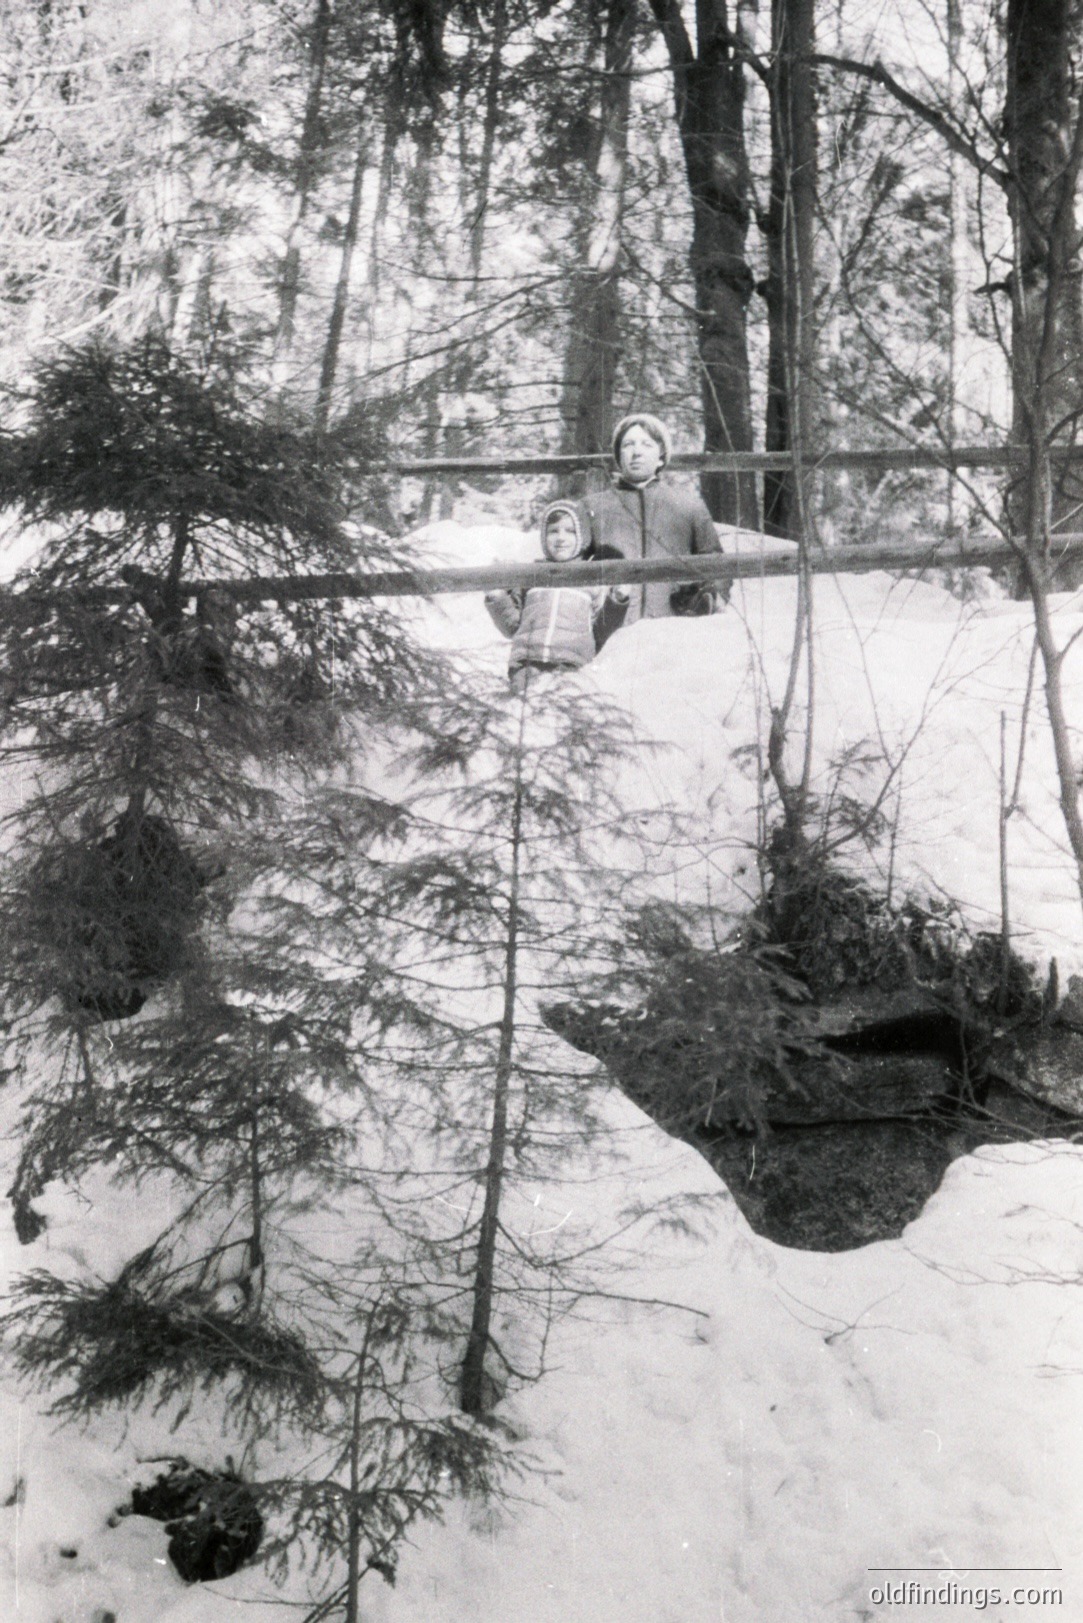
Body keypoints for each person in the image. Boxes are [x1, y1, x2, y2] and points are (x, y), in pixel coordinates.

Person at [582, 413, 727, 624]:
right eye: (628, 445)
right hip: (612, 629)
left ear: (661, 456)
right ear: (619, 456)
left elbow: (716, 564)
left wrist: (709, 598)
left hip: (672, 627)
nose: (636, 452)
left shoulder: (689, 505)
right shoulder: (592, 507)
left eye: (647, 444)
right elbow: (568, 565)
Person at [484, 500, 629, 692]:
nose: (561, 538)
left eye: (570, 531)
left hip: (571, 665)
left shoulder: (591, 580)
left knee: (566, 707)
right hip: (526, 665)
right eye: (553, 531)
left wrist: (617, 601)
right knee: (522, 706)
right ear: (543, 536)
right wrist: (497, 598)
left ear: (583, 537)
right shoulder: (531, 576)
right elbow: (513, 628)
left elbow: (601, 633)